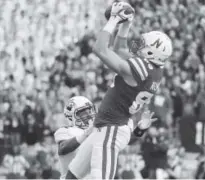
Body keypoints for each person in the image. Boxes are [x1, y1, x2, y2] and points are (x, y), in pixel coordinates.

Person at [66, 1, 173, 179]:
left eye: (145, 46)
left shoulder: (142, 69)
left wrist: (114, 20)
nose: (140, 46)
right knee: (72, 176)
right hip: (106, 126)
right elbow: (120, 49)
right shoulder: (153, 70)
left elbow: (100, 49)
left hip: (112, 129)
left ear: (153, 54)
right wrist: (126, 25)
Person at [54, 96, 96, 179]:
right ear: (70, 116)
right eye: (83, 112)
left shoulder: (96, 131)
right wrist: (86, 134)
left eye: (89, 110)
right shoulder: (65, 130)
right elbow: (63, 148)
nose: (88, 114)